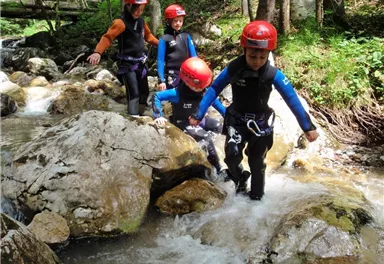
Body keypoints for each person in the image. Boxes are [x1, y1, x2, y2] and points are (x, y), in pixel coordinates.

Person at [189, 21, 319, 200]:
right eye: (252, 56)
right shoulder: (235, 68)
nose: (257, 61)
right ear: (244, 50)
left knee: (257, 163)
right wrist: (198, 113)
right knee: (232, 157)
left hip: (261, 124)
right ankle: (240, 179)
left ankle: (257, 198)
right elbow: (214, 89)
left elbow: (292, 99)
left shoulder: (273, 74)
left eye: (262, 58)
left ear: (268, 54)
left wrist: (308, 126)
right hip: (237, 120)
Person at [153, 57, 226, 176]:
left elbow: (218, 106)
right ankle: (219, 170)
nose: (201, 89)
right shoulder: (177, 93)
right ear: (187, 81)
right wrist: (158, 116)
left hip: (200, 120)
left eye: (203, 86)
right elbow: (157, 96)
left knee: (220, 127)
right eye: (199, 86)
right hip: (183, 122)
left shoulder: (204, 91)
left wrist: (229, 116)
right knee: (206, 138)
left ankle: (221, 155)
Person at [87, 0, 158, 116]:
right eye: (136, 9)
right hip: (126, 65)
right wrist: (98, 52)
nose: (139, 12)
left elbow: (149, 37)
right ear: (128, 5)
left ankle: (141, 115)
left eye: (141, 10)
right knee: (134, 93)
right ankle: (133, 117)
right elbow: (107, 38)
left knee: (144, 92)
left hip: (140, 64)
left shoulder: (141, 22)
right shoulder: (120, 23)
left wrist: (162, 44)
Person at [157, 4, 197, 91]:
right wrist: (161, 80)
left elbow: (194, 57)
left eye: (180, 21)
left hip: (188, 74)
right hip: (172, 75)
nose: (178, 23)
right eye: (175, 21)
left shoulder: (186, 36)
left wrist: (197, 72)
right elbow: (160, 60)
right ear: (169, 21)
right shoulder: (164, 39)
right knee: (174, 101)